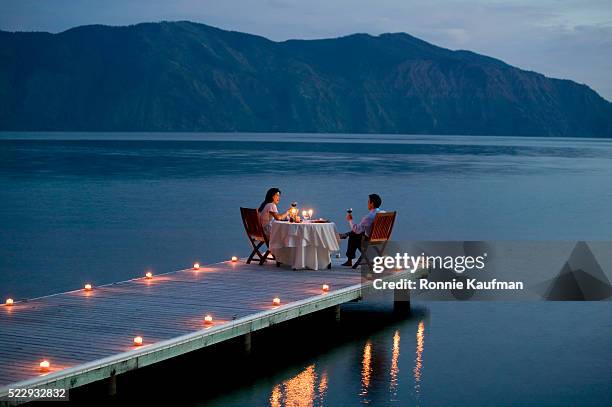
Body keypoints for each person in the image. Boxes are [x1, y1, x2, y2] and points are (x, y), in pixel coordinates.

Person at [340, 193, 383, 267]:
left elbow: (357, 230)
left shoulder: (369, 217)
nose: (367, 204)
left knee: (354, 234)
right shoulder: (383, 213)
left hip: (369, 241)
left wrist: (350, 220)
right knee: (355, 232)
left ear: (372, 203)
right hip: (380, 240)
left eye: (368, 202)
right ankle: (346, 234)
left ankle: (349, 260)